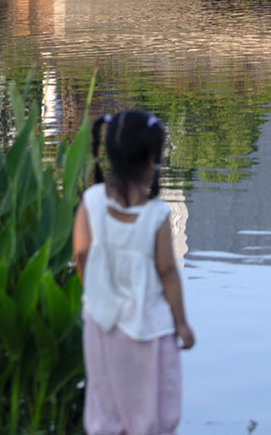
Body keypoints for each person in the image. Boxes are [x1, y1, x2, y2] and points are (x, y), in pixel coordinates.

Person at [73, 108, 195, 435]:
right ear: (151, 160)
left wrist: (96, 292)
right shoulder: (156, 215)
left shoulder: (92, 202)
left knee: (107, 408)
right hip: (149, 330)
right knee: (150, 413)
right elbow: (168, 272)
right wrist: (181, 323)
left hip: (102, 325)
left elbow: (81, 254)